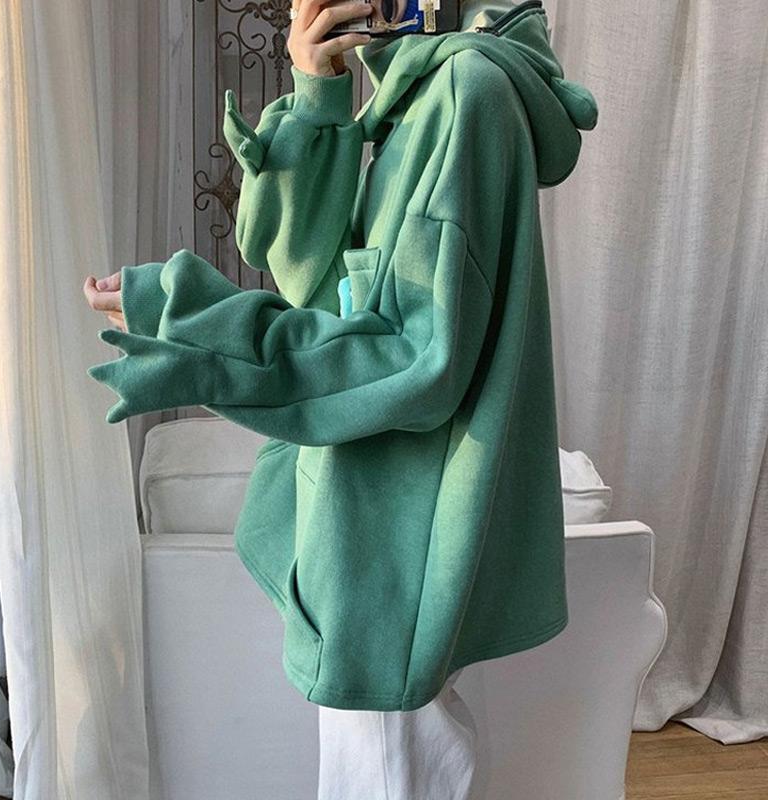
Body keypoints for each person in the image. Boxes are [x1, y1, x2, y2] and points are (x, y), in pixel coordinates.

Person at [84, 1, 598, 796]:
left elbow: (415, 357)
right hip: (374, 519)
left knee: (391, 766)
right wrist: (318, 100)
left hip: (393, 532)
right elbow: (318, 284)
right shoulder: (411, 98)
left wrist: (198, 320)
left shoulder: (465, 93)